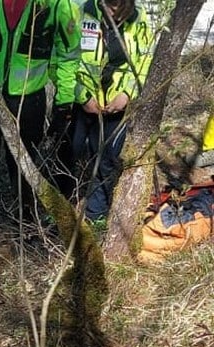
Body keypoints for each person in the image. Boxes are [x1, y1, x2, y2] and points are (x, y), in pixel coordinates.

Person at [0, 0, 81, 244]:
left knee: (24, 165)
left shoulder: (58, 5)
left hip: (28, 99)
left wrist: (64, 104)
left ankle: (26, 227)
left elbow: (68, 56)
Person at [72, 0, 152, 223]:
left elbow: (145, 62)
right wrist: (82, 96)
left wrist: (127, 93)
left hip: (115, 105)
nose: (115, 12)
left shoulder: (139, 18)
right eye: (110, 5)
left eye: (120, 6)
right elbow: (64, 59)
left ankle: (95, 214)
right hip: (81, 101)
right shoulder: (82, 12)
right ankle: (63, 207)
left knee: (106, 158)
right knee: (72, 151)